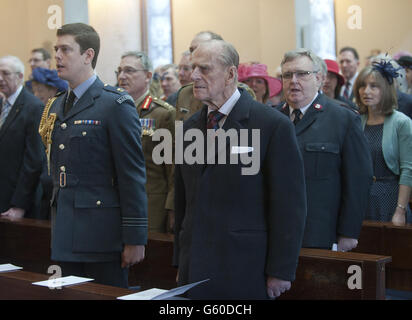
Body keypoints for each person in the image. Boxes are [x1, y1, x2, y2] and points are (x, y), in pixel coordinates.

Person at [173, 40, 307, 299]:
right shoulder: (189, 127)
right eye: (193, 68)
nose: (194, 76)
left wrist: (281, 270)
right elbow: (183, 202)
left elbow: (289, 206)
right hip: (196, 266)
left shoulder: (271, 125)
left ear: (230, 74)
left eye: (204, 69)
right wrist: (180, 260)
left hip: (244, 266)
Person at [39, 23, 148, 288]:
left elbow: (132, 176)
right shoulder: (56, 104)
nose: (58, 56)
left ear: (88, 55)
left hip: (102, 237)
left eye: (66, 49)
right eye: (56, 49)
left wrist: (135, 238)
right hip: (65, 232)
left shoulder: (114, 105)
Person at [277, 48, 373, 251]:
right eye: (287, 75)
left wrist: (348, 231)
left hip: (320, 231)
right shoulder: (272, 118)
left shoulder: (343, 119)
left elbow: (358, 180)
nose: (293, 80)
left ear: (319, 78)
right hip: (276, 232)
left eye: (302, 74)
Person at [117, 51, 175, 234]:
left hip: (150, 205)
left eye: (129, 71)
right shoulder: (113, 110)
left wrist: (173, 209)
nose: (122, 76)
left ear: (148, 76)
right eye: (119, 71)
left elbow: (173, 170)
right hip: (115, 203)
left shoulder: (163, 114)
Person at [354, 60, 412, 225]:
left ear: (385, 89)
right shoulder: (357, 121)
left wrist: (400, 210)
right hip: (362, 198)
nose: (366, 91)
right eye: (362, 86)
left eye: (374, 86)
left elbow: (408, 169)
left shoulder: (402, 122)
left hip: (390, 197)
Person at [0, 55, 45, 219]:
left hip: (15, 202)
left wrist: (19, 204)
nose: (0, 78)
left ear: (19, 77)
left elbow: (33, 162)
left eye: (5, 73)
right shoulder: (1, 103)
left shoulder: (34, 107)